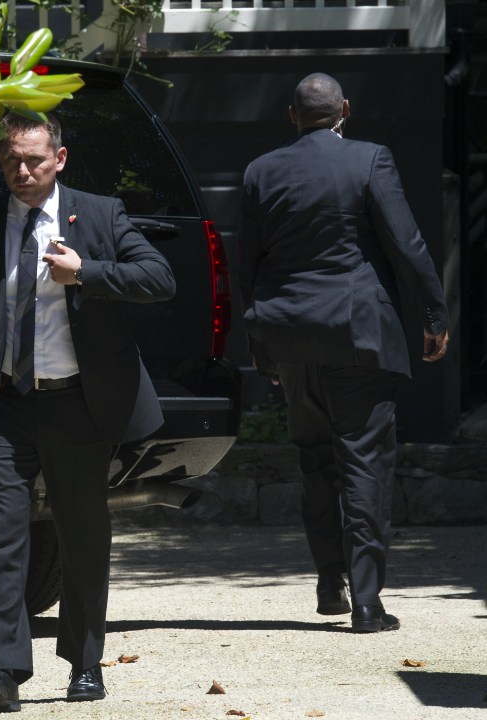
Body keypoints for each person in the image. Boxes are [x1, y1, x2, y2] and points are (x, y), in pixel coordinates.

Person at [0, 111, 175, 709]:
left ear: (58, 159)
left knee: (83, 537)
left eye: (35, 158)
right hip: (6, 405)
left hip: (79, 405)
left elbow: (160, 278)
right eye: (11, 159)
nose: (23, 170)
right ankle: (2, 672)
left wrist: (85, 272)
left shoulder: (99, 213)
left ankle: (85, 664)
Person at [238, 73, 450, 633]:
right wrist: (433, 314)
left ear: (292, 116)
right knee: (365, 464)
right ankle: (367, 602)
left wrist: (260, 341)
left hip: (291, 337)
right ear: (344, 111)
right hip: (358, 334)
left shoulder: (261, 171)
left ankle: (329, 582)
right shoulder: (369, 159)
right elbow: (406, 242)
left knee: (315, 460)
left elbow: (248, 263)